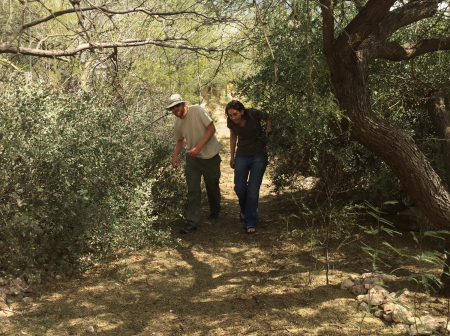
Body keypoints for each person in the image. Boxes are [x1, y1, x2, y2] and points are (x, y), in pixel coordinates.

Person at [168, 93, 221, 234]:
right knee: (193, 189)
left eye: (177, 105)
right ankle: (192, 222)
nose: (175, 109)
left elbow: (212, 129)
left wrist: (198, 147)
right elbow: (180, 141)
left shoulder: (197, 110)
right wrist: (175, 156)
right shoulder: (177, 123)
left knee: (212, 186)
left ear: (183, 104)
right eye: (172, 108)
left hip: (210, 155)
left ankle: (215, 209)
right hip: (192, 158)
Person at [226, 100, 272, 234]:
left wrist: (268, 128)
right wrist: (232, 156)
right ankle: (245, 209)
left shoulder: (252, 114)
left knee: (253, 189)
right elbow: (233, 135)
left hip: (259, 155)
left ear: (242, 111)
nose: (233, 117)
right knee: (239, 187)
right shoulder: (231, 122)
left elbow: (268, 116)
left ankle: (251, 221)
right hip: (242, 155)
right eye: (230, 115)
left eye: (235, 114)